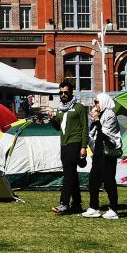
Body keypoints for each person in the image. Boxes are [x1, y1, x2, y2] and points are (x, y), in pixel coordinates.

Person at [50, 80, 88, 215]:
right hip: (64, 143)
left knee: (68, 174)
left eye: (66, 92)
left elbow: (85, 127)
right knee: (72, 174)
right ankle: (77, 204)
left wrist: (84, 146)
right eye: (61, 93)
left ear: (71, 92)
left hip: (75, 142)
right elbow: (58, 127)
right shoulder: (60, 108)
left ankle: (64, 203)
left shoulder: (79, 107)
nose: (63, 95)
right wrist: (52, 120)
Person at [82, 92, 122, 220]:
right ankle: (94, 207)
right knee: (93, 180)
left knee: (109, 181)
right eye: (94, 102)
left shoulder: (110, 115)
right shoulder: (101, 114)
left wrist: (97, 121)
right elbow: (93, 133)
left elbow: (105, 134)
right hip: (98, 152)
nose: (95, 105)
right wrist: (94, 120)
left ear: (103, 102)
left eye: (97, 102)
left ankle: (114, 209)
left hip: (108, 152)